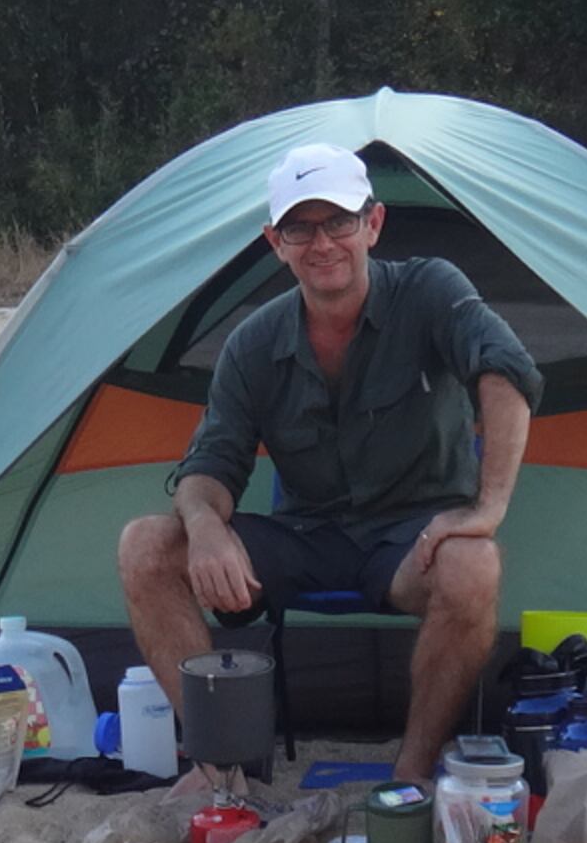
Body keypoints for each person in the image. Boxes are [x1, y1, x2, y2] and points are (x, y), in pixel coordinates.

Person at [117, 141, 542, 786]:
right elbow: (211, 462)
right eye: (300, 227)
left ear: (372, 224)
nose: (322, 244)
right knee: (145, 546)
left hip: (411, 540)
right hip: (305, 538)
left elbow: (507, 371)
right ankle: (218, 771)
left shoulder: (430, 290)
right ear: (274, 241)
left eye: (339, 222)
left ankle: (410, 776)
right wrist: (205, 530)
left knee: (474, 564)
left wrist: (489, 508)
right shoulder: (253, 342)